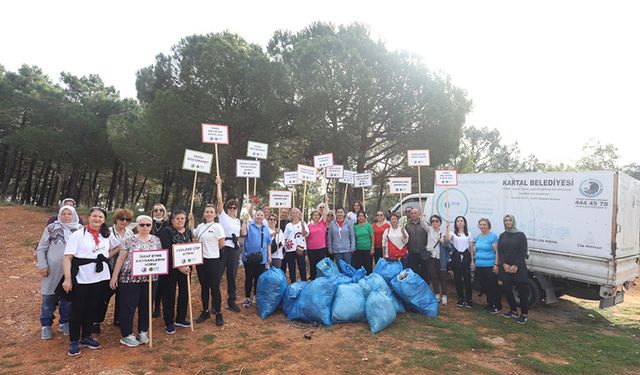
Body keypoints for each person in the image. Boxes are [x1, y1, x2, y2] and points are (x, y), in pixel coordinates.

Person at [62, 207, 122, 357]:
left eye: (100, 217)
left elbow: (119, 246)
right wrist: (68, 279)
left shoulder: (105, 234)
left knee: (92, 307)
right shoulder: (78, 235)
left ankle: (86, 336)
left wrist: (105, 256)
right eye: (94, 216)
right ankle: (74, 340)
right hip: (81, 277)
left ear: (104, 220)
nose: (97, 219)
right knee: (78, 308)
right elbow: (67, 258)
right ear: (89, 218)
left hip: (100, 277)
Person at [109, 215, 161, 347]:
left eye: (147, 225)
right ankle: (127, 334)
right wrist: (114, 276)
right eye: (142, 225)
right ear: (137, 226)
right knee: (128, 306)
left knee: (147, 305)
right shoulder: (129, 239)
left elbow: (159, 258)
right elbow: (120, 259)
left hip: (150, 279)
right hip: (129, 279)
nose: (144, 227)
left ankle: (143, 331)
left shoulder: (156, 240)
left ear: (151, 226)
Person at [36, 205, 82, 340]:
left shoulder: (80, 230)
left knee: (67, 299)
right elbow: (41, 248)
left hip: (70, 271)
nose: (66, 216)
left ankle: (64, 322)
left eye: (69, 214)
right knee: (48, 298)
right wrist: (42, 265)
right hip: (52, 270)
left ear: (73, 215)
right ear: (59, 215)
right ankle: (46, 325)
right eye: (64, 214)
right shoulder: (51, 228)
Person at [96, 208, 134, 332]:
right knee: (104, 295)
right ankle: (96, 321)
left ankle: (119, 319)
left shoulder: (130, 233)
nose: (124, 221)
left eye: (127, 219)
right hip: (109, 268)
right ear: (116, 219)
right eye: (121, 218)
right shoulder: (108, 232)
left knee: (122, 296)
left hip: (125, 269)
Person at [190, 204, 226, 326]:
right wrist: (192, 220)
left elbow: (222, 244)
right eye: (207, 212)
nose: (209, 214)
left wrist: (212, 250)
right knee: (204, 286)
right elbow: (193, 234)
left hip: (213, 260)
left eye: (211, 212)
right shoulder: (200, 226)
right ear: (204, 214)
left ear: (215, 214)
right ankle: (205, 311)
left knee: (214, 287)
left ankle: (219, 313)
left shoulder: (217, 227)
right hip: (201, 261)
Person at [158, 210, 192, 334]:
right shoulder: (166, 231)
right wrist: (178, 266)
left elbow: (190, 248)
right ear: (172, 220)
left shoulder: (188, 231)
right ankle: (169, 322)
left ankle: (180, 318)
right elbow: (167, 249)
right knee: (169, 295)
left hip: (185, 267)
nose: (180, 220)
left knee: (184, 292)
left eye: (182, 218)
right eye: (177, 218)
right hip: (170, 268)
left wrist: (190, 261)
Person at [215, 176, 242, 313]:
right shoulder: (223, 216)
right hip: (223, 248)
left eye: (235, 208)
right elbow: (219, 202)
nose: (232, 209)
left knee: (232, 276)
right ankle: (215, 303)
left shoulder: (238, 221)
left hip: (235, 249)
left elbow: (242, 233)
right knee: (218, 275)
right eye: (230, 207)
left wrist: (247, 221)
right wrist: (219, 185)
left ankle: (231, 301)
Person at [498, 214, 530, 324]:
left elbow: (523, 252)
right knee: (507, 290)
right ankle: (513, 311)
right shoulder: (502, 235)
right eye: (505, 220)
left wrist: (515, 265)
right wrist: (504, 264)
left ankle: (524, 314)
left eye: (509, 220)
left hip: (518, 268)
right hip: (506, 267)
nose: (507, 222)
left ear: (513, 221)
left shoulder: (520, 235)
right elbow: (500, 251)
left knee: (522, 292)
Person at [240, 210, 271, 307]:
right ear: (254, 216)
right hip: (249, 257)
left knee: (258, 279)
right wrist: (245, 222)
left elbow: (269, 243)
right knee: (249, 278)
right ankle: (247, 298)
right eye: (258, 214)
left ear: (263, 217)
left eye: (261, 215)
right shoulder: (249, 225)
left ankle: (256, 297)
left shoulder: (266, 228)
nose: (259, 216)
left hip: (262, 258)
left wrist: (269, 256)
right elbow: (243, 233)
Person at [447, 216, 475, 308]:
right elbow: (447, 239)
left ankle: (469, 300)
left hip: (466, 256)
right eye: (458, 221)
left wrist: (472, 261)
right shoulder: (453, 233)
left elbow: (471, 247)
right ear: (455, 223)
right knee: (457, 278)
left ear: (464, 223)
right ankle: (460, 298)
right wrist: (447, 228)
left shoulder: (469, 234)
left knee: (467, 278)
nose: (459, 222)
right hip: (456, 256)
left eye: (461, 221)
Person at [474, 218, 501, 314]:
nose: (482, 226)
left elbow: (497, 252)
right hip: (480, 266)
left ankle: (496, 306)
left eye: (484, 224)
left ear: (488, 226)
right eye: (480, 224)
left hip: (490, 266)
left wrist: (496, 265)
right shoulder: (478, 237)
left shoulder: (493, 237)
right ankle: (490, 304)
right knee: (485, 286)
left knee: (492, 286)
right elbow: (476, 250)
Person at [150, 203, 169, 318]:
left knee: (161, 285)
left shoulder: (168, 224)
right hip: (150, 258)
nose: (158, 212)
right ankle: (149, 306)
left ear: (164, 212)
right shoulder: (148, 223)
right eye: (156, 210)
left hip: (163, 258)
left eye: (161, 210)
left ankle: (157, 308)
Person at [426, 215, 450, 305]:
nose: (434, 223)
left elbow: (448, 243)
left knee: (443, 277)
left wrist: (447, 229)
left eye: (436, 221)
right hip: (432, 256)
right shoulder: (429, 230)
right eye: (432, 221)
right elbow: (423, 223)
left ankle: (444, 295)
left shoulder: (443, 232)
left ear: (440, 222)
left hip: (441, 258)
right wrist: (420, 213)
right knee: (434, 276)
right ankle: (437, 294)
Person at [283, 208, 309, 282]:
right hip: (290, 248)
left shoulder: (303, 223)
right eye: (293, 213)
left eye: (296, 213)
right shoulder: (288, 225)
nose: (294, 214)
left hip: (300, 247)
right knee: (291, 266)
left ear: (299, 214)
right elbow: (285, 236)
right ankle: (293, 282)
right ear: (291, 215)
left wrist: (303, 227)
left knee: (302, 265)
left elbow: (305, 234)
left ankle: (304, 281)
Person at [327, 207, 355, 272]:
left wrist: (352, 247)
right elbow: (330, 237)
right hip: (336, 250)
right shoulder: (332, 223)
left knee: (347, 267)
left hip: (347, 249)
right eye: (338, 212)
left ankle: (348, 280)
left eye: (341, 212)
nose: (340, 214)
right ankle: (342, 281)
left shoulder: (349, 222)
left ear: (344, 213)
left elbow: (352, 235)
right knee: (340, 267)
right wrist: (330, 248)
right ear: (336, 214)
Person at [406, 208, 430, 283]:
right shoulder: (407, 226)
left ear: (419, 214)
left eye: (415, 213)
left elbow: (429, 233)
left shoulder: (424, 224)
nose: (413, 214)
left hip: (423, 252)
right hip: (412, 253)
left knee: (425, 273)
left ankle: (426, 289)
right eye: (412, 213)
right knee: (413, 272)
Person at [306, 208, 329, 279]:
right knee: (312, 265)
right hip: (311, 249)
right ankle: (313, 279)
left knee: (321, 266)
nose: (316, 216)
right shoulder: (308, 226)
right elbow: (306, 237)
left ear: (319, 216)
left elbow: (325, 213)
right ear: (312, 217)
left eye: (317, 215)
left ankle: (321, 279)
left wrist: (326, 201)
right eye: (314, 215)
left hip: (321, 248)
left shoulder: (323, 223)